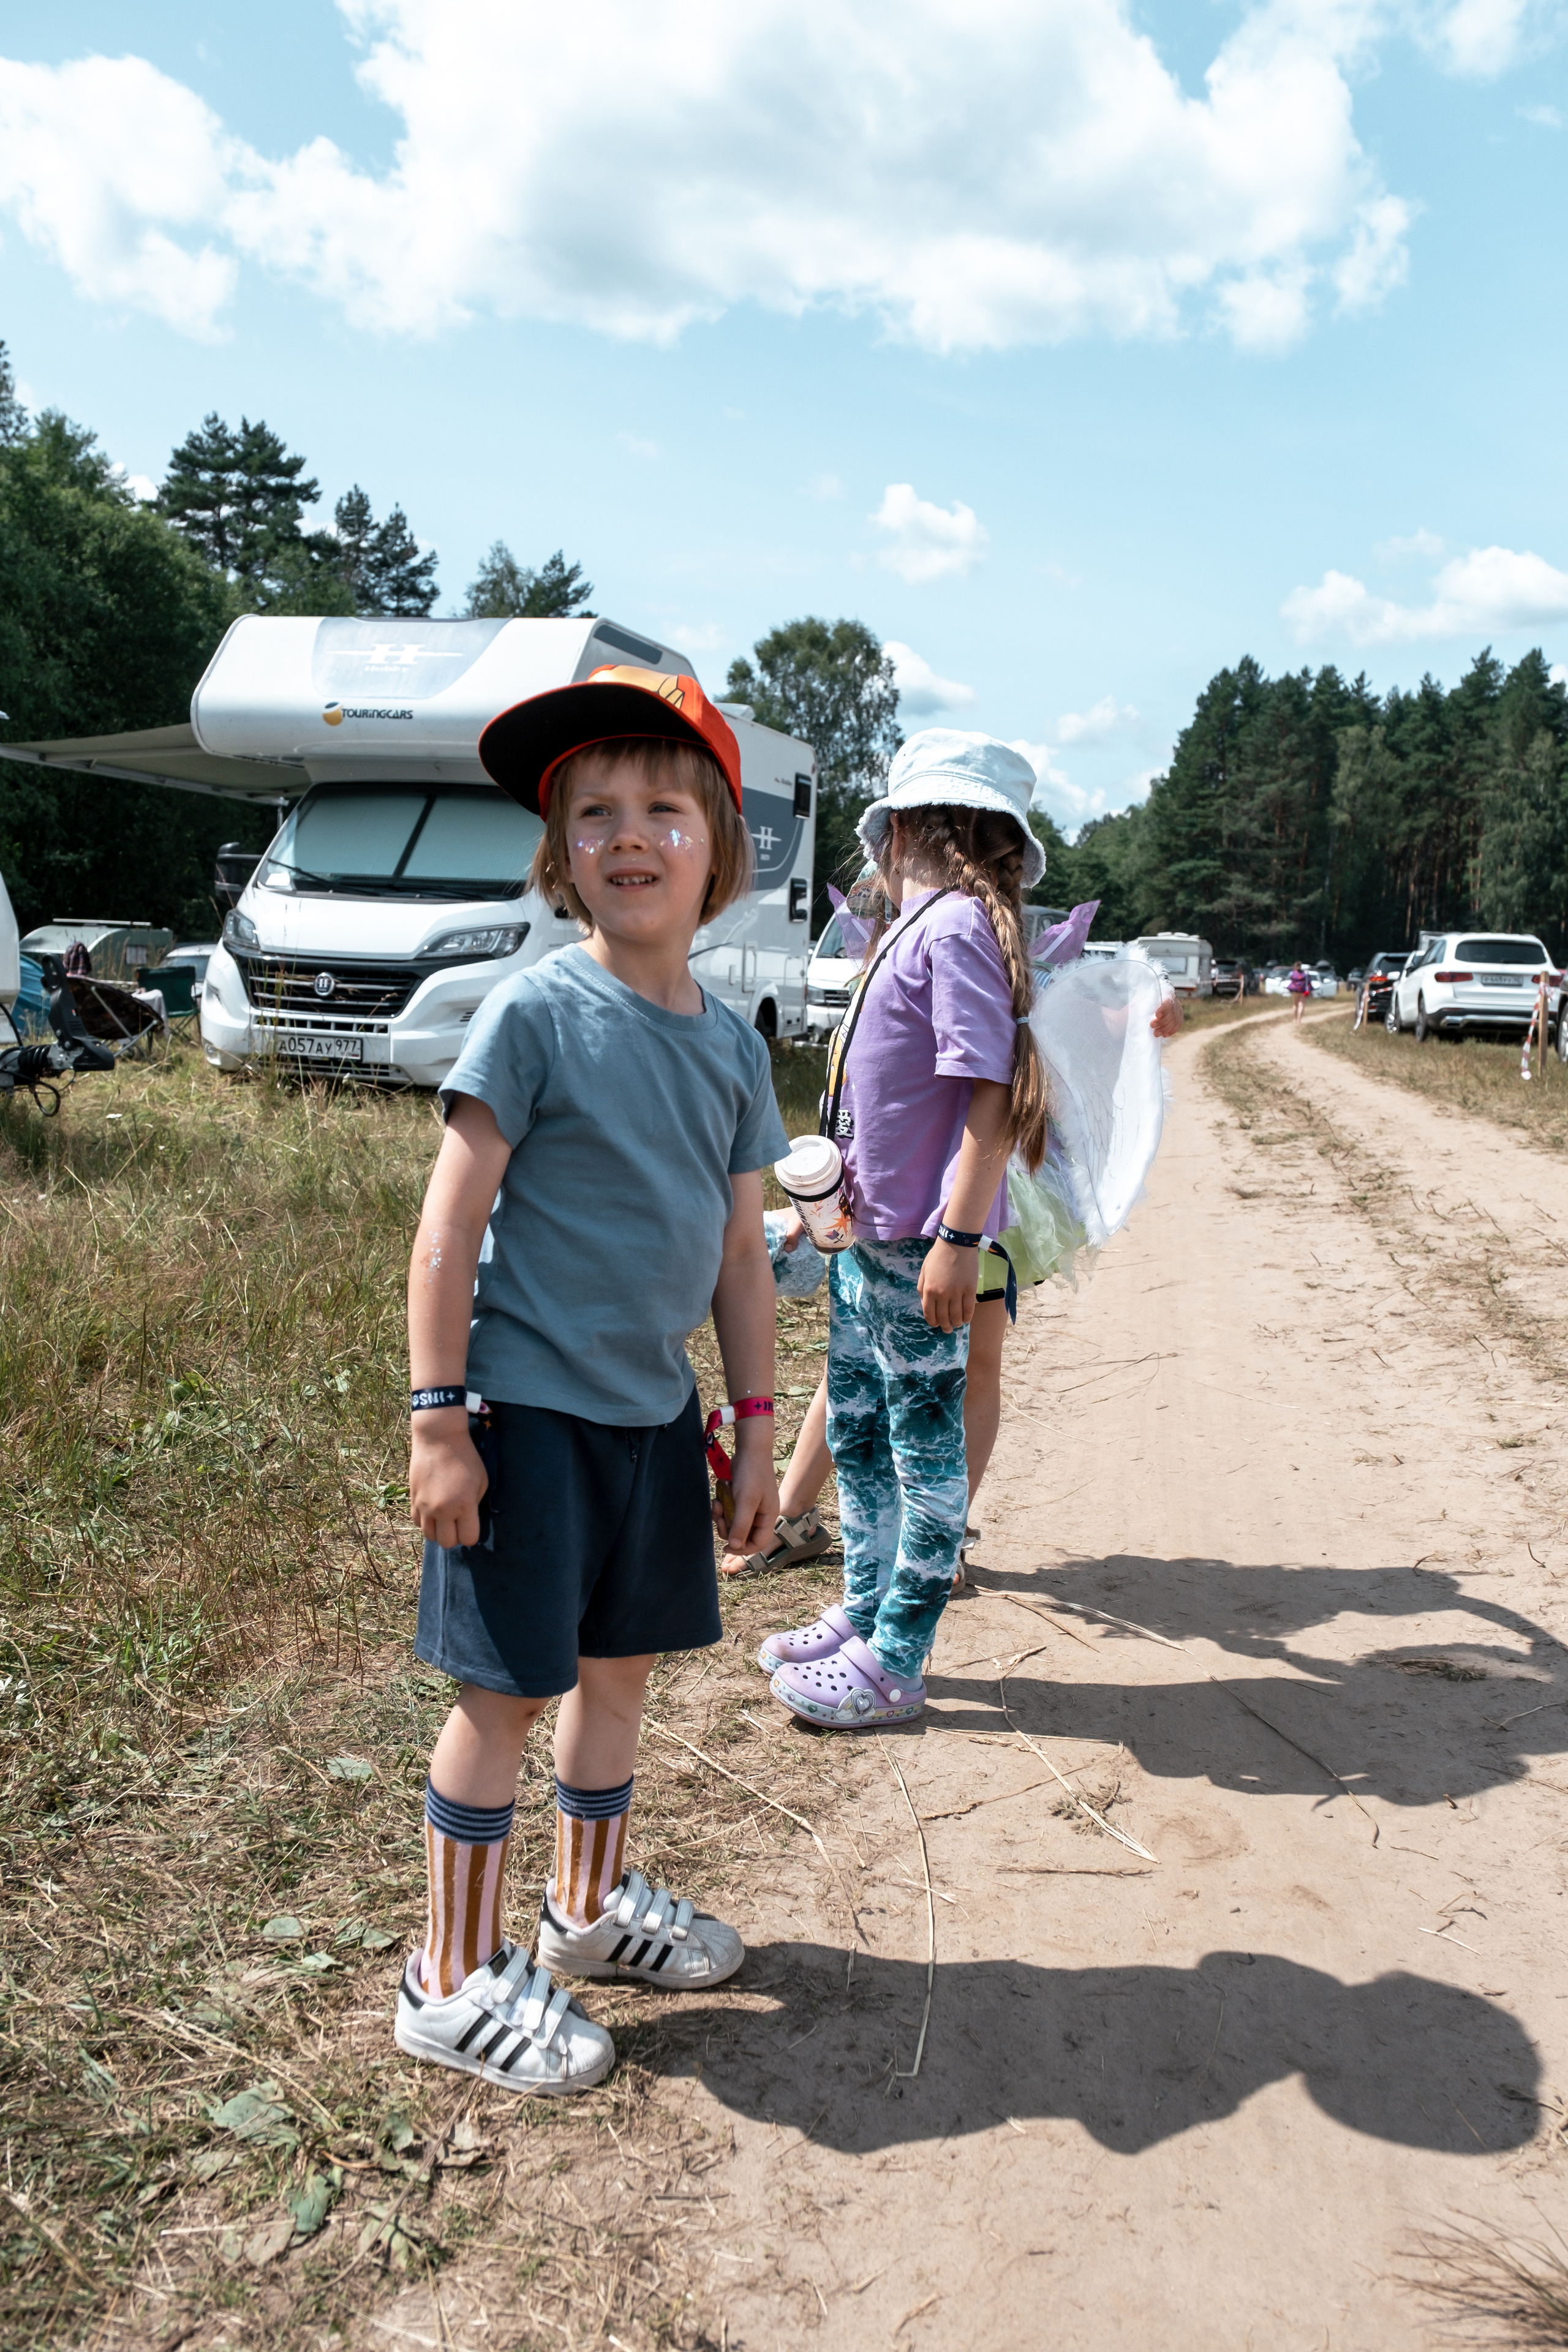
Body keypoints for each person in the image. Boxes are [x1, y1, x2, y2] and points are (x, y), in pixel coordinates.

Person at [396, 666, 789, 2094]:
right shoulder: (534, 1013)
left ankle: (586, 1906)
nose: (628, 833)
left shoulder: (732, 1045)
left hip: (649, 1418)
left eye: (662, 807)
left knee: (616, 1674)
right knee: (503, 1693)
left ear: (719, 848)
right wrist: (438, 1415)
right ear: (559, 853)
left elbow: (743, 1255)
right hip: (523, 1410)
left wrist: (751, 1428)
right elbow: (446, 1228)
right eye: (592, 811)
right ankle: (445, 1974)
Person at [755, 730, 1055, 1729]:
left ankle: (900, 1658)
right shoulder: (914, 932)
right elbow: (878, 1106)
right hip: (863, 1242)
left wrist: (960, 1240)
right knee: (859, 1428)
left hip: (921, 1248)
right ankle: (866, 1607)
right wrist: (824, 1211)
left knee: (922, 1450)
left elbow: (987, 1097)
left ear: (908, 830)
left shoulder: (958, 929)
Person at [1287, 959, 1313, 1023]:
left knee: (1295, 1005)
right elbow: (1309, 982)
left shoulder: (1293, 973)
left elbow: (1291, 981)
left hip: (1295, 991)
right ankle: (1299, 1021)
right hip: (1303, 991)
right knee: (1301, 1005)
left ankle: (1294, 1020)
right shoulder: (1305, 973)